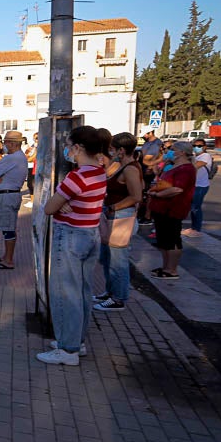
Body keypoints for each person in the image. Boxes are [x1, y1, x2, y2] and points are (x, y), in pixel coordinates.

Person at [37, 125, 110, 366]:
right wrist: (64, 203)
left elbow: (49, 207)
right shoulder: (100, 172)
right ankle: (76, 341)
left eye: (69, 146)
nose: (67, 151)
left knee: (65, 292)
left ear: (78, 148)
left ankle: (67, 350)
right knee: (82, 291)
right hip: (89, 234)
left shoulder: (76, 177)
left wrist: (60, 203)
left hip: (70, 236)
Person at [93, 132, 143, 311]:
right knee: (108, 259)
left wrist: (113, 208)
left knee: (118, 261)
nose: (110, 152)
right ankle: (109, 292)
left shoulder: (130, 169)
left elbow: (136, 196)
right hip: (113, 216)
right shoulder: (120, 165)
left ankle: (118, 298)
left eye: (112, 149)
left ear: (121, 150)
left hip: (121, 217)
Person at [148, 140, 197, 279]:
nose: (169, 151)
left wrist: (157, 194)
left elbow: (177, 189)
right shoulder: (173, 166)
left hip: (172, 209)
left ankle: (172, 270)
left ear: (181, 152)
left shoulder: (186, 169)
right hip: (161, 209)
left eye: (172, 149)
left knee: (172, 239)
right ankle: (166, 267)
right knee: (163, 240)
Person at [0, 130, 28, 269]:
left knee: (8, 229)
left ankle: (8, 260)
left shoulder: (11, 158)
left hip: (6, 196)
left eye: (5, 142)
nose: (3, 145)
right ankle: (6, 256)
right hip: (11, 195)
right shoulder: (20, 157)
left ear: (11, 144)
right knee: (8, 228)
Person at [183, 137, 214, 238]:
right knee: (193, 207)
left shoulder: (206, 156)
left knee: (196, 207)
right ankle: (193, 228)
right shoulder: (195, 157)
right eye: (194, 146)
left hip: (201, 186)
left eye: (199, 146)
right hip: (194, 185)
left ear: (204, 147)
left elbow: (194, 167)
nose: (197, 148)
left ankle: (197, 229)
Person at [136, 125, 163, 225]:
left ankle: (147, 217)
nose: (144, 137)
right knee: (144, 194)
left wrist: (150, 167)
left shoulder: (156, 144)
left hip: (150, 172)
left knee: (149, 195)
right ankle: (144, 215)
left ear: (150, 133)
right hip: (144, 170)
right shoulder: (148, 143)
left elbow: (148, 159)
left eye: (145, 135)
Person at [24, 139, 36, 206]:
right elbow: (26, 155)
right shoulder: (33, 147)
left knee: (32, 184)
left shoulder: (37, 148)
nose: (35, 140)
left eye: (36, 138)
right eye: (34, 138)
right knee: (30, 184)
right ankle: (32, 200)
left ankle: (33, 201)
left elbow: (30, 159)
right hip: (30, 167)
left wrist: (28, 157)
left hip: (34, 167)